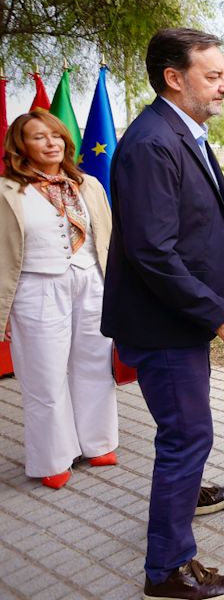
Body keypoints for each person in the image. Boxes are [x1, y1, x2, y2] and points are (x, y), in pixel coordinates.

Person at [103, 27, 224, 600]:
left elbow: (189, 222)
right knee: (188, 434)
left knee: (185, 431)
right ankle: (167, 568)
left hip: (179, 318)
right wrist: (214, 310)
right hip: (164, 325)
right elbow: (150, 252)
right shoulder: (151, 143)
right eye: (213, 76)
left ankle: (185, 494)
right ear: (174, 77)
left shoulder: (181, 132)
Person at [1, 110, 119, 489]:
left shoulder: (87, 185)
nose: (50, 143)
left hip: (91, 282)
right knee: (44, 375)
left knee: (95, 366)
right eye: (39, 137)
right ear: (21, 146)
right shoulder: (7, 191)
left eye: (55, 135)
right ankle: (52, 458)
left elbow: (108, 238)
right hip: (35, 287)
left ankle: (98, 442)